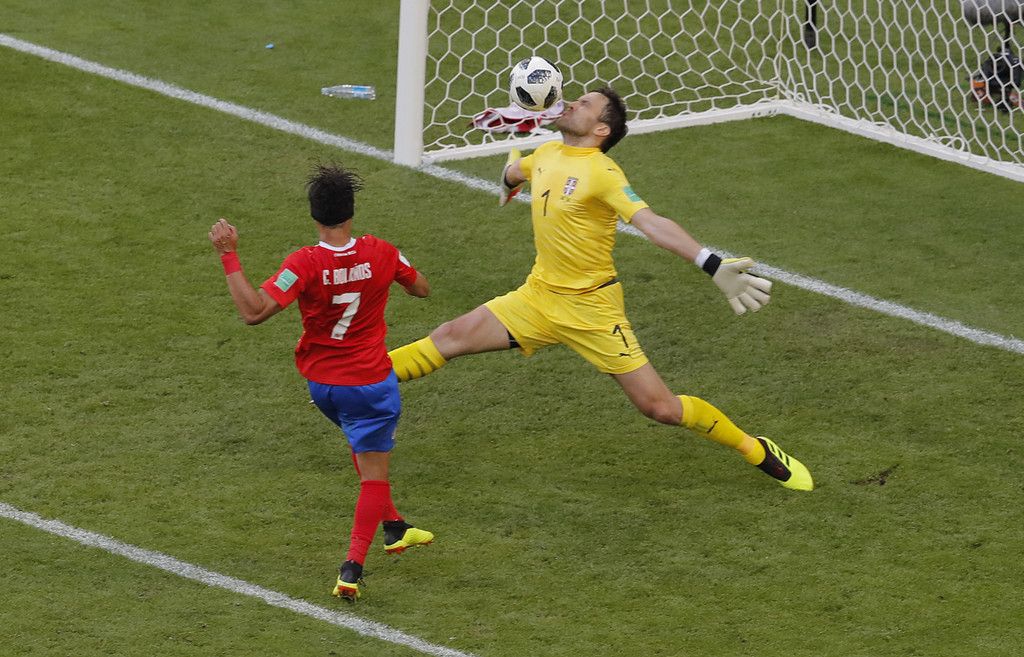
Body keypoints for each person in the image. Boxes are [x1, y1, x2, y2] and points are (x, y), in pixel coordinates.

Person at [388, 88, 813, 491]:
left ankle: (754, 448)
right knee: (449, 337)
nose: (572, 102)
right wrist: (508, 177)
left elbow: (651, 223)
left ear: (601, 129)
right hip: (538, 297)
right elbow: (516, 169)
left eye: (585, 104)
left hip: (593, 309)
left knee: (661, 408)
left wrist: (711, 263)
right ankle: (355, 380)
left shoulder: (603, 172)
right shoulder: (547, 153)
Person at [208, 164, 434, 603]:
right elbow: (421, 288)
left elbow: (254, 311)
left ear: (314, 216)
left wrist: (228, 254)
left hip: (323, 388)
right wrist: (391, 269)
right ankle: (352, 568)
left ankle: (395, 526)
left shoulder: (303, 264)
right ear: (352, 212)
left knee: (362, 444)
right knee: (374, 473)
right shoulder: (383, 252)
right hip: (371, 385)